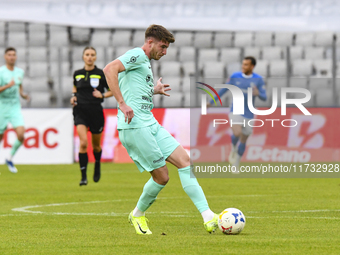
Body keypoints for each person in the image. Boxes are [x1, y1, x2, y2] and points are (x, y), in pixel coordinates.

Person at [103, 24, 218, 235]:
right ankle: (137, 214)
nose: (164, 52)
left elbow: (134, 90)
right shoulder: (137, 54)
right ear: (150, 42)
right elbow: (109, 69)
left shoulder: (144, 62)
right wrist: (121, 103)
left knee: (185, 161)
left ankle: (208, 216)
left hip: (150, 123)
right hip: (135, 127)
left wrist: (152, 91)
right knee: (162, 177)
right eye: (163, 47)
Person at [209, 56, 267, 171]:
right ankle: (234, 148)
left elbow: (265, 97)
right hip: (235, 110)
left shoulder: (258, 79)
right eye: (243, 64)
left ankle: (236, 164)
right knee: (237, 132)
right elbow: (223, 89)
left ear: (252, 66)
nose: (243, 66)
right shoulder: (235, 76)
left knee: (244, 138)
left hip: (249, 113)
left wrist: (258, 93)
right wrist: (212, 101)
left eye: (246, 65)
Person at [71, 46, 113, 186]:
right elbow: (75, 88)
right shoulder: (77, 73)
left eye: (92, 55)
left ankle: (97, 163)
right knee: (83, 143)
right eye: (87, 54)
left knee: (96, 146)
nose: (89, 57)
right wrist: (73, 97)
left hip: (95, 112)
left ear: (95, 57)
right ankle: (83, 176)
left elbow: (112, 90)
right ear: (83, 56)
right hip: (80, 111)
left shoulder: (101, 73)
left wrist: (102, 94)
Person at [0, 47, 30, 173]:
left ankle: (9, 158)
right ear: (5, 57)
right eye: (9, 55)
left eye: (13, 55)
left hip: (15, 107)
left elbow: (19, 85)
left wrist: (22, 94)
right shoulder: (1, 72)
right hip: (2, 106)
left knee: (21, 135)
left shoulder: (20, 72)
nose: (12, 57)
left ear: (16, 57)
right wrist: (8, 86)